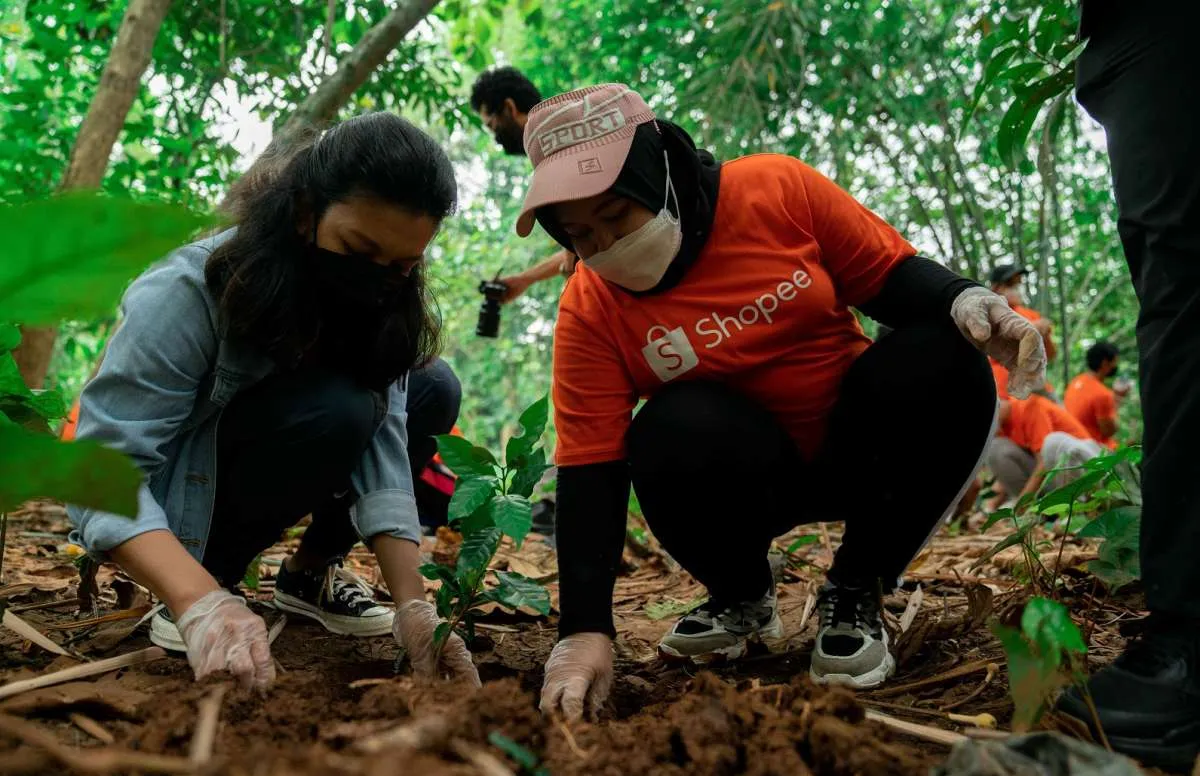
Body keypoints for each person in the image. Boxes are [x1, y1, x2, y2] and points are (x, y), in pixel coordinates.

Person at [516, 84, 1046, 720]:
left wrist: (964, 298)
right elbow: (590, 471)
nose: (605, 247)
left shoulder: (775, 191)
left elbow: (889, 277)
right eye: (581, 235)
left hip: (861, 447)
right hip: (745, 478)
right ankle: (742, 593)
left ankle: (858, 586)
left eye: (616, 216)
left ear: (662, 176)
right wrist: (583, 630)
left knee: (944, 354)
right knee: (665, 430)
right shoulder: (590, 309)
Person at [66, 113, 480, 690]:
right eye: (359, 251)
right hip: (179, 509)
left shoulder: (383, 309)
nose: (377, 279)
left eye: (402, 266)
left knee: (434, 387)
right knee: (342, 410)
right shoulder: (190, 291)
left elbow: (386, 449)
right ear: (304, 212)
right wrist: (199, 602)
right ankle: (200, 581)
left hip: (300, 440)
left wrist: (416, 610)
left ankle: (310, 576)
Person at [1057, 1, 1200, 770]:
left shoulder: (1089, 392)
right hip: (1135, 27)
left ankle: (1189, 647)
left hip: (1160, 26)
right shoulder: (1087, 394)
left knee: (1184, 282)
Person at [469, 66, 575, 303]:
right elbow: (585, 241)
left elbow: (584, 246)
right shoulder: (554, 142)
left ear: (509, 108)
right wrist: (524, 279)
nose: (496, 138)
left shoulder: (557, 144)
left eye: (492, 126)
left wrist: (574, 263)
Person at [987, 395, 1100, 506]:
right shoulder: (1003, 424)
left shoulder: (1029, 407)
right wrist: (990, 508)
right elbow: (1009, 469)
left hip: (1082, 468)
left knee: (1051, 443)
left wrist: (1020, 507)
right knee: (995, 449)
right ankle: (1040, 510)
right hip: (1054, 476)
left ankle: (1072, 506)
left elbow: (1043, 463)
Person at [988, 264, 1056, 397]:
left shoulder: (1031, 315)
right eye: (1010, 284)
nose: (1017, 289)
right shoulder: (988, 315)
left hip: (1038, 386)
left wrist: (1045, 335)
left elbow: (1050, 356)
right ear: (995, 288)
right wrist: (1029, 330)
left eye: (1018, 283)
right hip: (1006, 389)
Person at [1064, 342, 1123, 449]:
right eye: (1115, 362)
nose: (1116, 366)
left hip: (1074, 443)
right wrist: (1119, 398)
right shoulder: (1102, 394)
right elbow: (1109, 431)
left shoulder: (1075, 382)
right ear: (1105, 363)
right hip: (1095, 449)